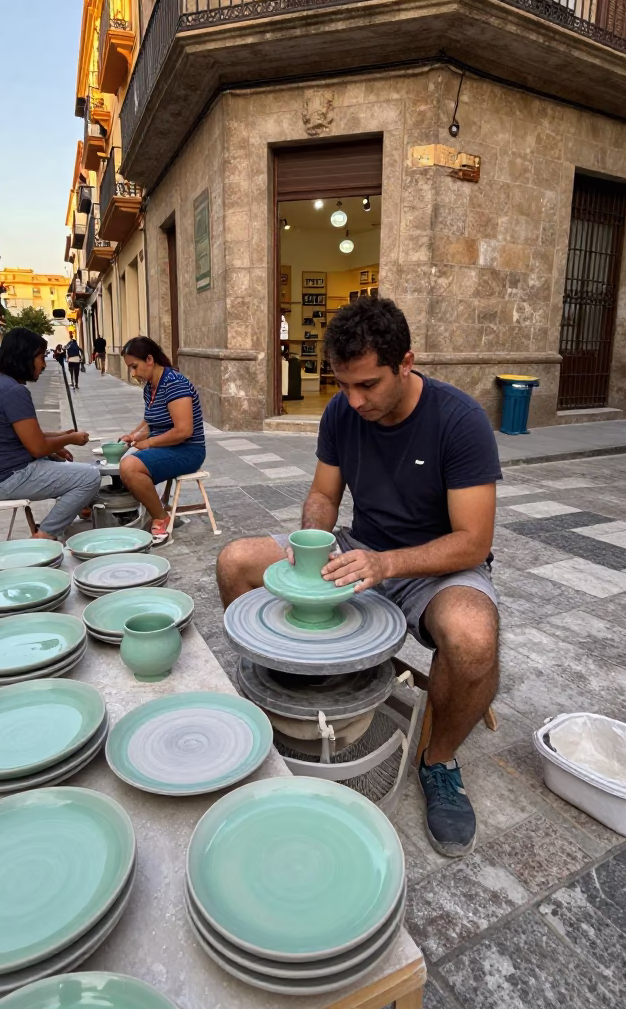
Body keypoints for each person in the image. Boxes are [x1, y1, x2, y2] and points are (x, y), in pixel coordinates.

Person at [215, 296, 502, 858]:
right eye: (343, 385)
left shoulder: (459, 420)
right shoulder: (342, 412)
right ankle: (290, 691)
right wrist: (313, 541)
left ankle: (438, 759)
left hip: (437, 563)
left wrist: (389, 563)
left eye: (368, 384)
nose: (354, 399)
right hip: (358, 549)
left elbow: (475, 540)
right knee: (235, 560)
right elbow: (324, 494)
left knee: (473, 639)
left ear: (406, 362)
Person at [0, 327, 101, 540]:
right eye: (40, 357)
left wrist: (56, 441)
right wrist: (69, 439)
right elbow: (37, 447)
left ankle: (80, 508)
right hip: (5, 479)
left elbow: (21, 435)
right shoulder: (14, 391)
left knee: (75, 467)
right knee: (90, 476)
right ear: (24, 358)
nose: (43, 364)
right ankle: (45, 534)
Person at [118, 336, 206, 545]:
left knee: (130, 467)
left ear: (149, 359)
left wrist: (149, 443)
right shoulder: (150, 386)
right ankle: (150, 509)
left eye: (134, 366)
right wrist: (134, 435)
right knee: (122, 462)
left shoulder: (174, 383)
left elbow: (183, 431)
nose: (133, 373)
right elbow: (152, 422)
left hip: (188, 450)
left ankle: (161, 517)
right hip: (169, 447)